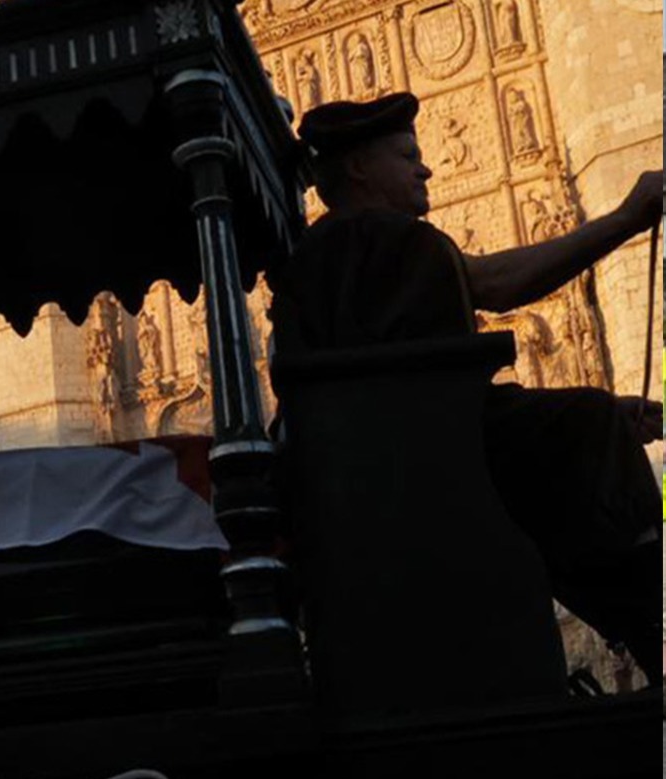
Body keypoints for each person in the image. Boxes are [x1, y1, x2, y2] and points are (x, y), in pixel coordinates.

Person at [268, 92, 663, 685]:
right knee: (591, 424)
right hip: (422, 460)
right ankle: (653, 624)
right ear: (360, 168)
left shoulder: (336, 249)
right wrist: (625, 218)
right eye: (407, 156)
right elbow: (497, 285)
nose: (425, 169)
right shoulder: (380, 237)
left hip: (378, 459)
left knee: (592, 424)